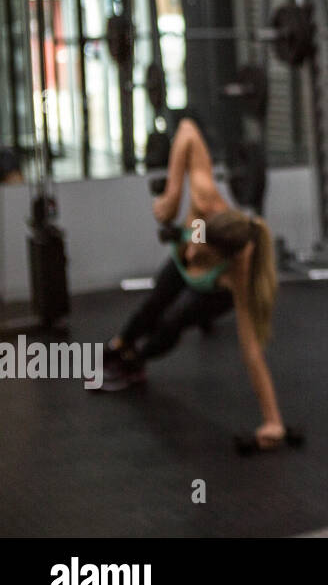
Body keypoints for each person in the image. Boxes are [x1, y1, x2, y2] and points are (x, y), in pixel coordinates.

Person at [96, 118, 289, 451]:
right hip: (188, 266)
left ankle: (136, 361)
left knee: (174, 320)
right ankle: (120, 345)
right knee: (154, 302)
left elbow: (252, 351)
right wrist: (172, 195)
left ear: (224, 260)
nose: (195, 250)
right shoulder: (204, 198)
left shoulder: (239, 275)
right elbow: (186, 129)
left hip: (212, 291)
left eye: (203, 252)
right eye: (199, 240)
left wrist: (273, 422)